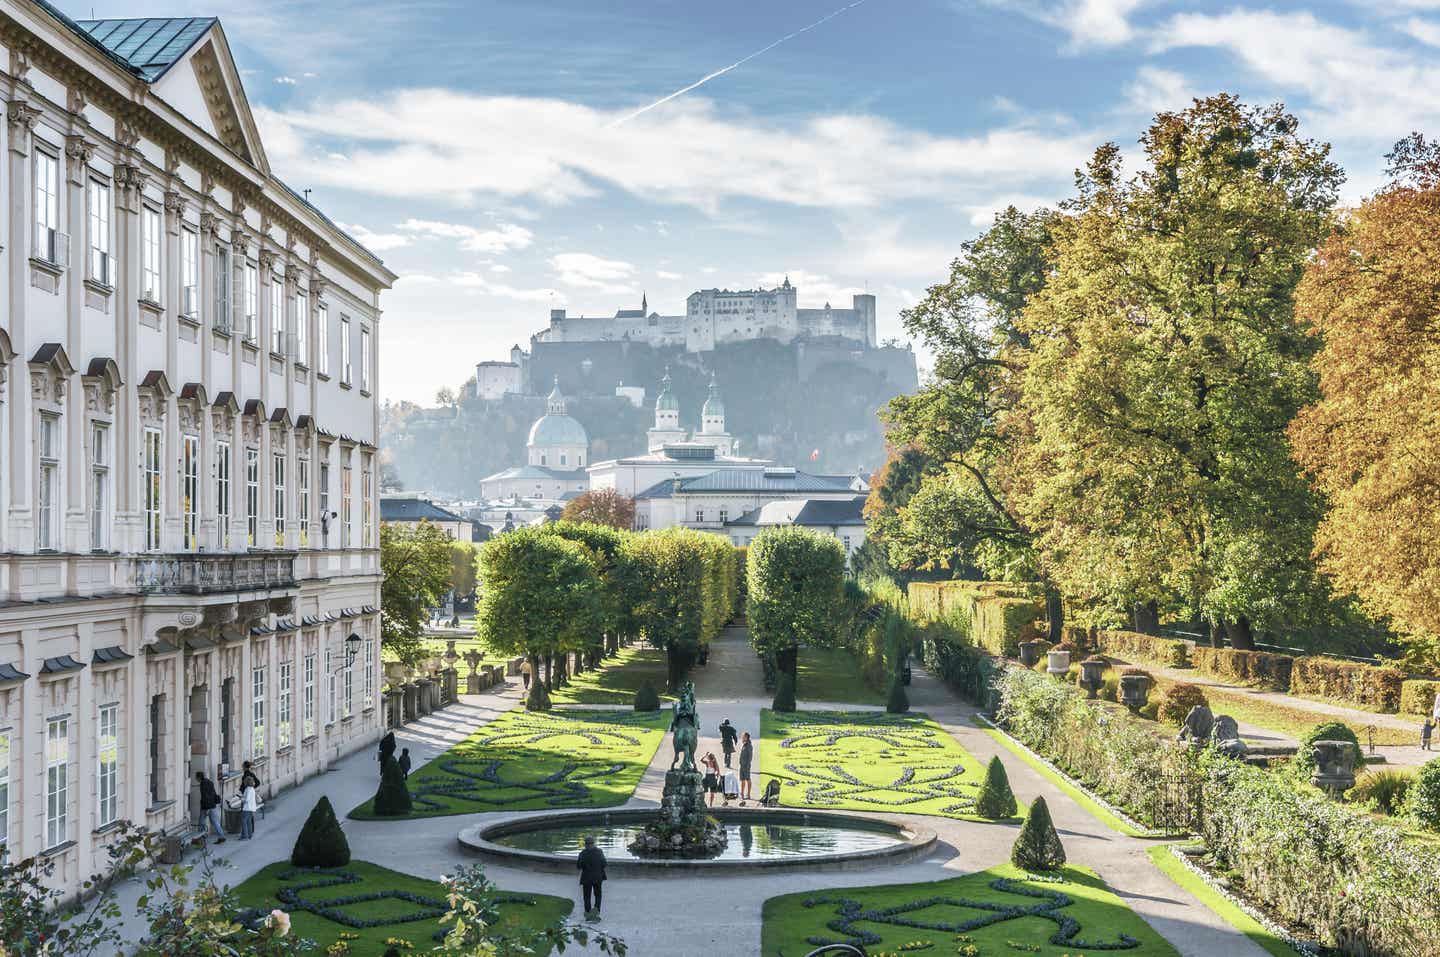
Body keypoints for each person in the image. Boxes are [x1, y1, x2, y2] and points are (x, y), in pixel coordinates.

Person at [576, 835, 607, 920]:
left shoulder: (582, 853)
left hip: (586, 878)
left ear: (585, 844)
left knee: (587, 897)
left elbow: (578, 866)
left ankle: (588, 913)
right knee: (598, 895)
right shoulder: (599, 852)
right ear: (593, 843)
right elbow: (604, 864)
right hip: (598, 877)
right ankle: (596, 912)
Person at [196, 771, 225, 844]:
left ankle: (200, 838)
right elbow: (213, 793)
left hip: (206, 806)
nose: (196, 779)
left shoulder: (203, 784)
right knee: (214, 822)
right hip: (212, 805)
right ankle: (221, 836)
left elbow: (205, 796)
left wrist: (207, 808)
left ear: (199, 777)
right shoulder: (209, 782)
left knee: (201, 822)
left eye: (196, 777)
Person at [739, 731, 754, 803]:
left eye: (743, 736)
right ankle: (741, 793)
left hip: (746, 766)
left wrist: (747, 765)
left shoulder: (749, 745)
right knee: (742, 779)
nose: (742, 737)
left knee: (748, 779)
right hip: (742, 765)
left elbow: (750, 756)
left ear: (747, 737)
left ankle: (748, 794)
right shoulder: (744, 744)